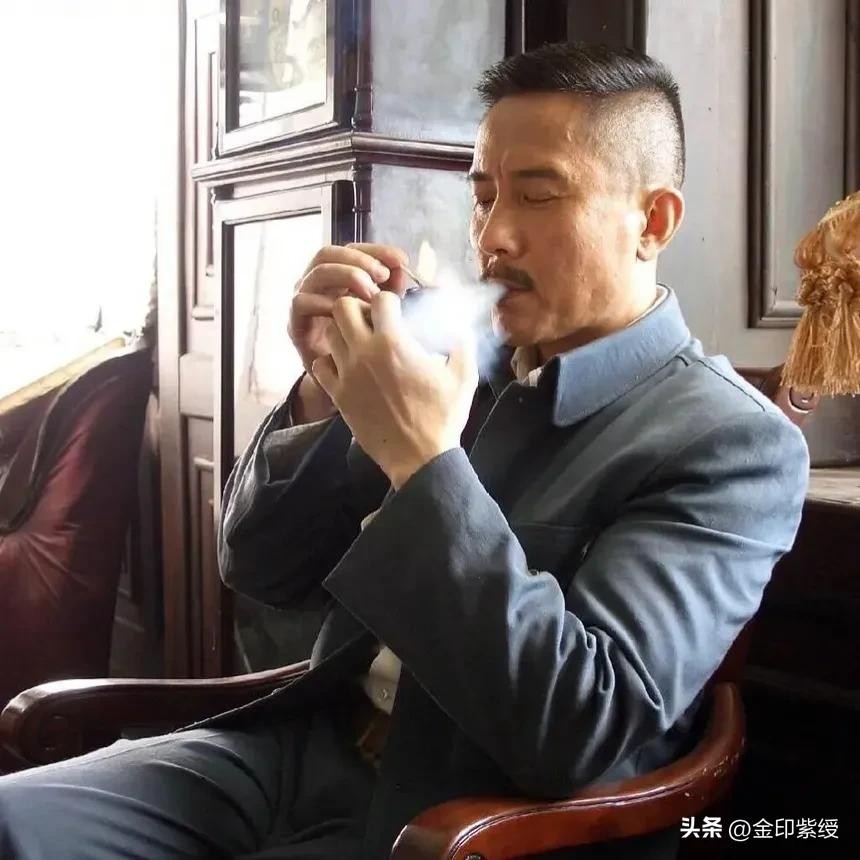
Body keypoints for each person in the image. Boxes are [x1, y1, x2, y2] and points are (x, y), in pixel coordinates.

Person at [0, 42, 809, 860]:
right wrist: (323, 388)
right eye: (483, 198)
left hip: (460, 820)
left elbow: (576, 729)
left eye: (538, 195)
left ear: (653, 221)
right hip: (296, 750)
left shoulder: (728, 441)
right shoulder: (457, 362)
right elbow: (259, 565)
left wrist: (424, 463)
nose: (494, 237)